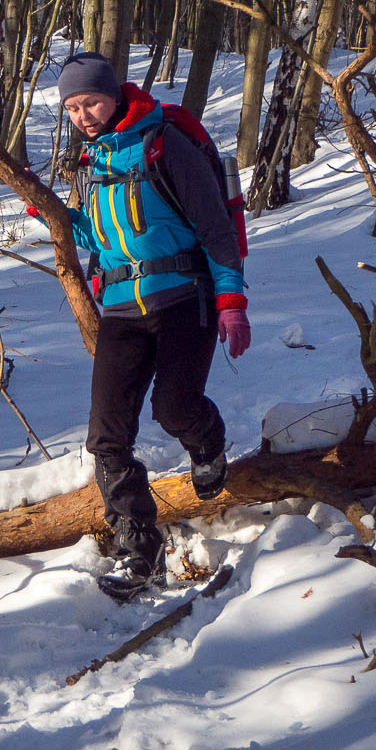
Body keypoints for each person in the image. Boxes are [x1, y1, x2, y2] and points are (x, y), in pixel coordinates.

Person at [52, 51, 250, 601]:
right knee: (106, 438)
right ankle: (140, 550)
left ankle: (208, 446)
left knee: (174, 408)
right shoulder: (92, 164)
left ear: (114, 94)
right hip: (119, 310)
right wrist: (59, 218)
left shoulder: (166, 145)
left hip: (184, 297)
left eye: (89, 101)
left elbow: (214, 226)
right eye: (71, 107)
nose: (82, 115)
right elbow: (99, 241)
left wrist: (231, 299)